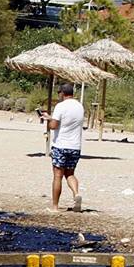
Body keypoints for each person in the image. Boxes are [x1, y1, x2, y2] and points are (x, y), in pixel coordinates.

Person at [46, 81, 87, 211]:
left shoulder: (60, 106)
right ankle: (76, 193)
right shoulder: (79, 106)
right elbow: (67, 121)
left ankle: (55, 206)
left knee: (57, 175)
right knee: (70, 173)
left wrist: (48, 121)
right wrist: (51, 117)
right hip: (75, 146)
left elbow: (54, 126)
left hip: (61, 145)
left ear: (62, 93)